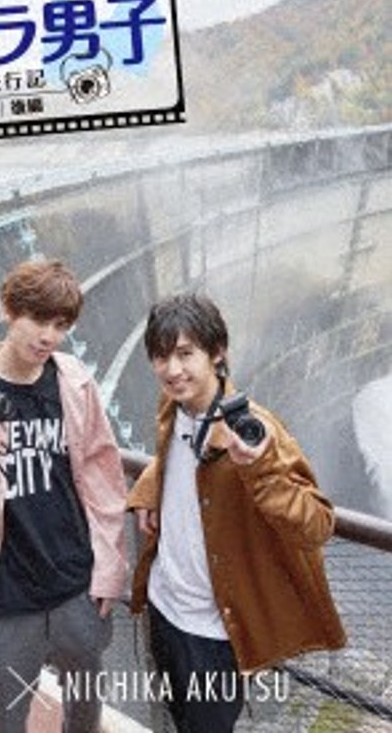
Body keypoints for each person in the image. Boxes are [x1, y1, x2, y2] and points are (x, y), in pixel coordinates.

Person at [0, 259, 128, 733]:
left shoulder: (74, 381)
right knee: (4, 720)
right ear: (8, 311)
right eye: (37, 319)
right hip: (2, 598)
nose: (48, 336)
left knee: (85, 711)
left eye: (61, 325)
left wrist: (109, 569)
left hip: (76, 588)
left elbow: (105, 480)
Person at [128, 292, 346, 732]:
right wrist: (146, 490)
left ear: (217, 353)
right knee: (176, 718)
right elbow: (171, 454)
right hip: (164, 608)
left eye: (185, 354)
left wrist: (259, 470)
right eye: (161, 357)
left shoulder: (256, 431)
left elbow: (318, 524)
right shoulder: (173, 405)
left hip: (214, 635)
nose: (172, 370)